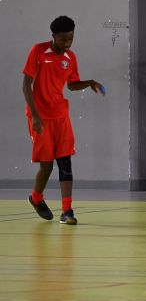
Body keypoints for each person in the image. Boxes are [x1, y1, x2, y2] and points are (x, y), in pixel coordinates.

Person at [23, 16, 105, 225]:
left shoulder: (71, 57)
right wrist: (35, 116)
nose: (67, 43)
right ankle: (36, 198)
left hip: (61, 115)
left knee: (65, 162)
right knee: (47, 166)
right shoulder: (38, 51)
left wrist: (89, 83)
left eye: (71, 38)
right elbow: (26, 85)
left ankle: (67, 211)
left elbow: (72, 85)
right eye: (63, 39)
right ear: (53, 36)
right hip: (40, 117)